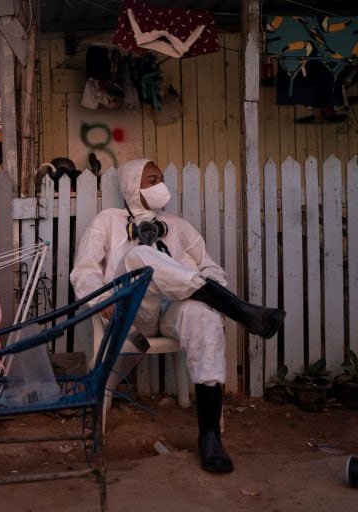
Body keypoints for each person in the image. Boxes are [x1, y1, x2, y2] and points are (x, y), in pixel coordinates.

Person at [70, 159, 285, 473]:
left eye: (161, 178)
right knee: (139, 254)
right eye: (151, 179)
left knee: (205, 318)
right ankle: (239, 309)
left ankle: (209, 437)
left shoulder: (179, 226)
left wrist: (205, 291)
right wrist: (102, 300)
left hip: (172, 310)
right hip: (130, 310)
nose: (160, 184)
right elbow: (84, 272)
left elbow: (211, 268)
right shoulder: (108, 220)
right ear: (132, 185)